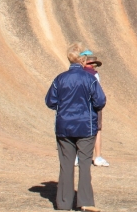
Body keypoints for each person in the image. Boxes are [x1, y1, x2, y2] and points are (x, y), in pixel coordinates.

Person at [44, 43, 106, 212]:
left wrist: (64, 105)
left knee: (66, 165)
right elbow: (100, 101)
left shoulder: (60, 79)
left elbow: (50, 101)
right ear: (83, 59)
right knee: (85, 165)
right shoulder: (90, 79)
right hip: (86, 127)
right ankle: (85, 202)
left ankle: (64, 203)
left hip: (64, 127)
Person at [84, 55, 109, 167]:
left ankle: (77, 157)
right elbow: (98, 92)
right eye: (92, 64)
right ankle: (97, 156)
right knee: (97, 130)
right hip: (93, 105)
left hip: (81, 105)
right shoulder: (95, 75)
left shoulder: (79, 73)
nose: (93, 66)